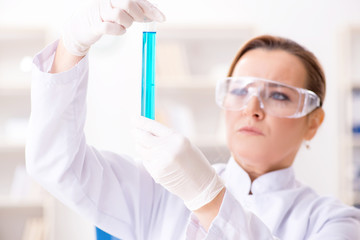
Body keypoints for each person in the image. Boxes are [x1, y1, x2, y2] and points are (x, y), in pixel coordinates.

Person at [26, 0, 360, 239]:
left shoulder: (334, 222)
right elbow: (56, 165)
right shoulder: (157, 192)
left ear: (313, 122)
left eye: (279, 95)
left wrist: (207, 197)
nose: (252, 108)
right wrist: (71, 47)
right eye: (240, 91)